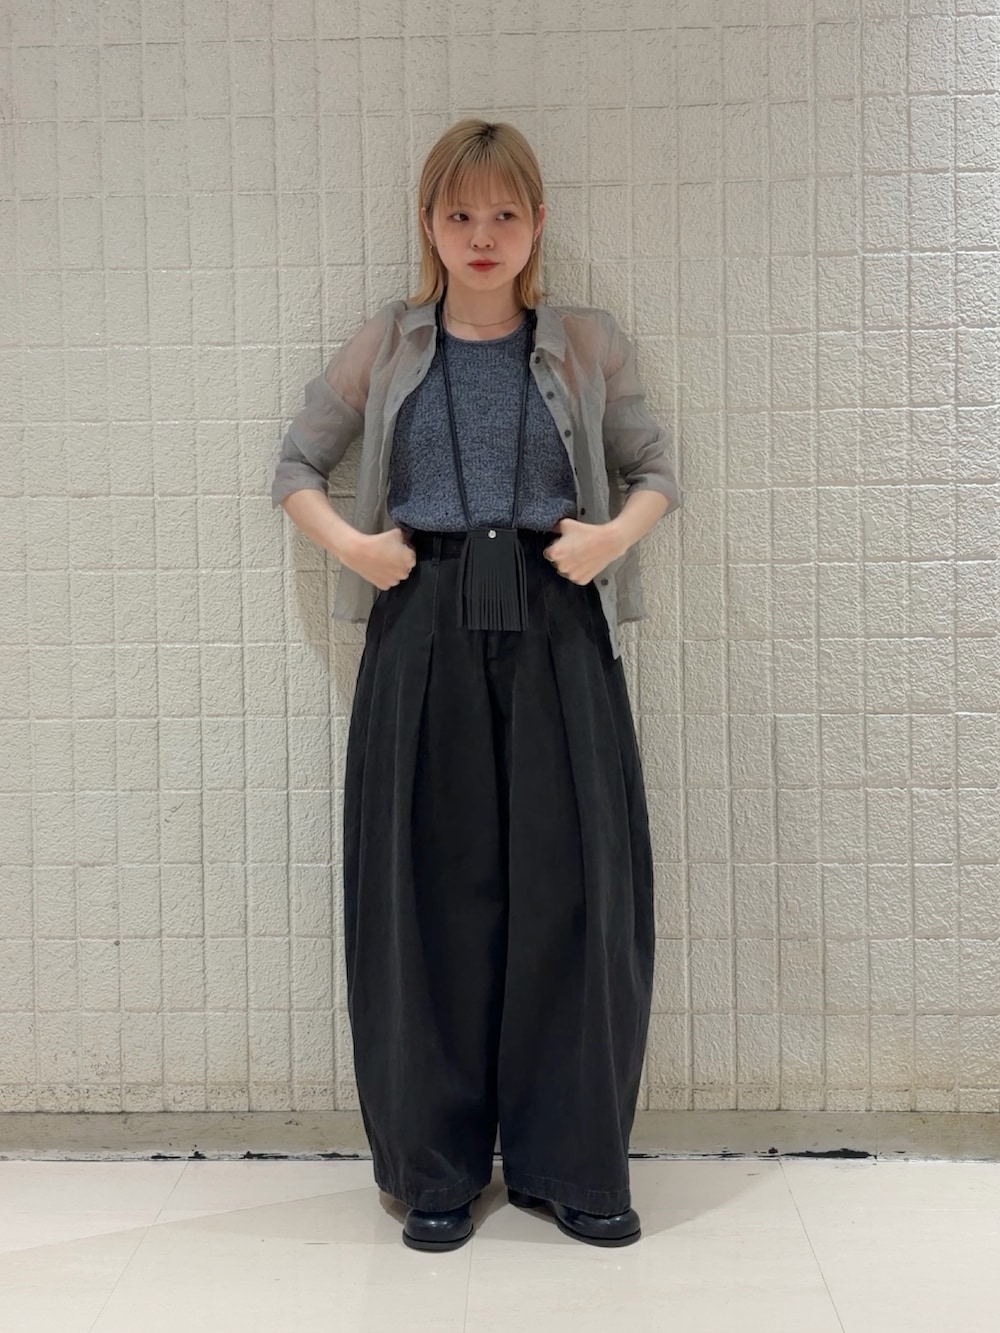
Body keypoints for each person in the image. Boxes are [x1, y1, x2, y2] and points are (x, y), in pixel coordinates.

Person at [271, 118, 681, 1252]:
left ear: (538, 222)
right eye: (460, 214)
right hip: (423, 624)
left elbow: (654, 467)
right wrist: (356, 550)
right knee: (427, 893)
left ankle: (572, 1164)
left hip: (558, 618)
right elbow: (297, 462)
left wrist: (610, 540)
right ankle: (436, 1169)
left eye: (504, 213)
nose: (482, 234)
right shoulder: (388, 344)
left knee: (576, 890)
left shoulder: (585, 343)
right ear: (429, 224)